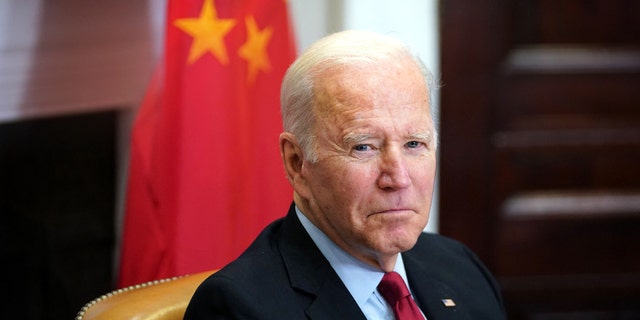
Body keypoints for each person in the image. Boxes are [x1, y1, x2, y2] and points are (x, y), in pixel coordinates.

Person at [184, 30, 506, 320]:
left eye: (414, 143)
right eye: (363, 147)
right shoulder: (237, 307)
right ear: (297, 163)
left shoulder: (461, 267)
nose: (398, 178)